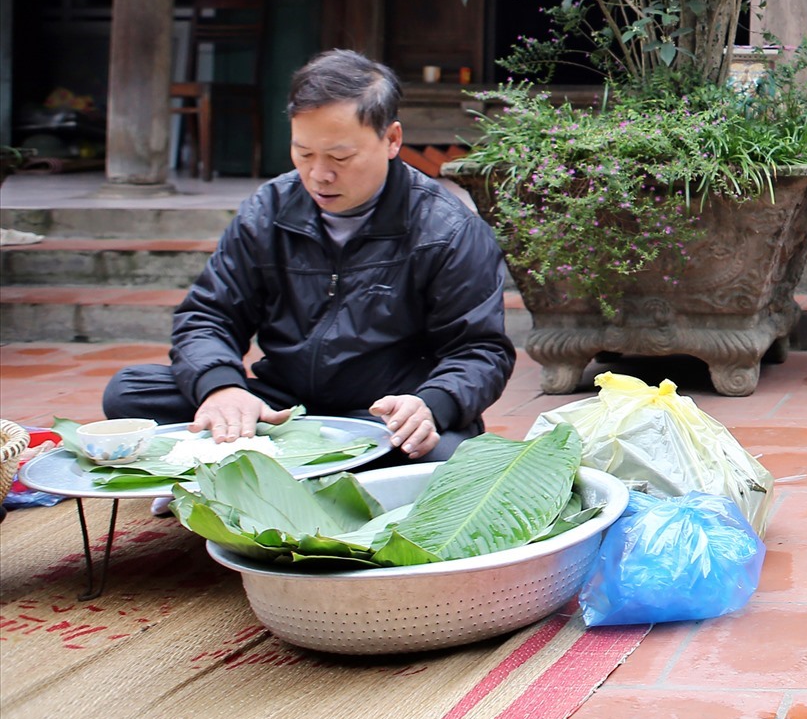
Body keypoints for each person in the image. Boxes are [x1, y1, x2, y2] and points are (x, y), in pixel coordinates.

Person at [102, 49, 515, 468]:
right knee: (129, 392)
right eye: (303, 153)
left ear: (391, 140)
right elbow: (209, 315)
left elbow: (479, 350)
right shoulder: (269, 210)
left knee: (446, 454)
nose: (319, 174)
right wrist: (222, 390)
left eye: (339, 157)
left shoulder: (447, 230)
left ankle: (258, 466)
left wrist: (431, 405)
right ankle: (296, 464)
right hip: (284, 411)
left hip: (383, 416)